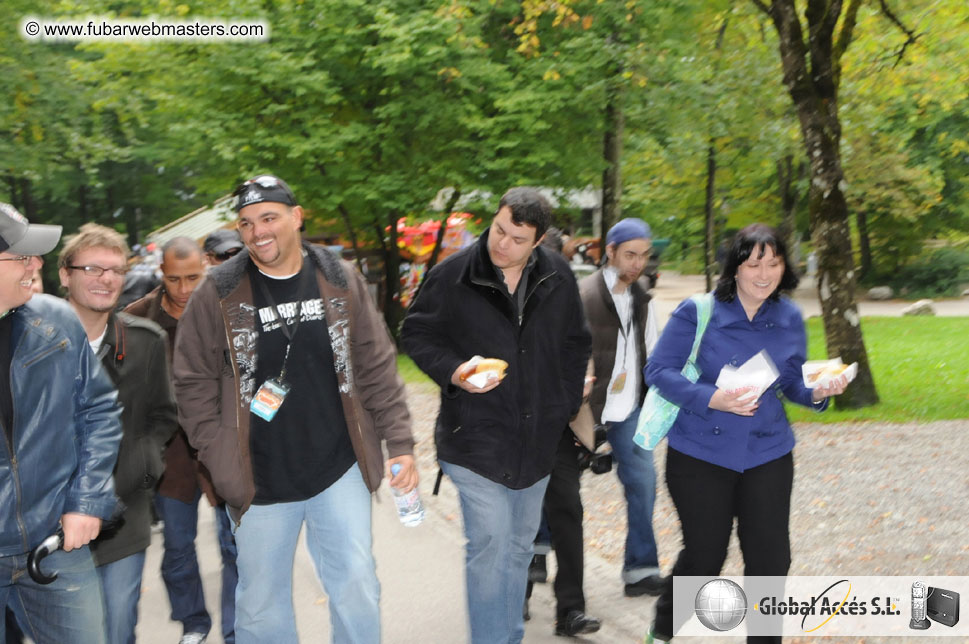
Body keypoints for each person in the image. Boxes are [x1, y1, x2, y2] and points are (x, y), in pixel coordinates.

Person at [173, 174, 417, 644]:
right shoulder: (219, 291)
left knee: (357, 586)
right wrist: (221, 460)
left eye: (269, 217)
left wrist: (399, 441)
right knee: (262, 609)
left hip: (337, 466)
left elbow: (376, 362)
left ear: (296, 217)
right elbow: (191, 383)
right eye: (246, 222)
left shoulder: (338, 277)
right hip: (257, 476)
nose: (258, 231)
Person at [401, 187, 591, 643]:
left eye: (516, 238)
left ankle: (508, 636)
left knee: (519, 548)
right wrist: (454, 371)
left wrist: (561, 405)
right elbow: (416, 334)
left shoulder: (558, 275)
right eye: (499, 229)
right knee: (489, 547)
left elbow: (575, 343)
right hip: (474, 441)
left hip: (538, 441)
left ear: (539, 240)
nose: (501, 243)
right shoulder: (452, 274)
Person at [643, 223, 849, 643]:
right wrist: (710, 398)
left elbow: (793, 382)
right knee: (705, 557)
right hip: (700, 453)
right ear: (734, 267)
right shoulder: (697, 311)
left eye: (773, 263)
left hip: (768, 453)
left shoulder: (789, 316)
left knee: (771, 560)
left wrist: (819, 392)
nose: (763, 273)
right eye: (753, 263)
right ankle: (662, 631)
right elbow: (658, 371)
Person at [0, 203, 122, 643]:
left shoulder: (56, 319)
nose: (36, 265)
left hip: (55, 544)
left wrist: (86, 501)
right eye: (22, 256)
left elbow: (98, 411)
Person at [58, 223, 178, 644]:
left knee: (118, 626)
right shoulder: (31, 340)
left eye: (115, 270)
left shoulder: (146, 342)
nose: (106, 278)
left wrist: (142, 467)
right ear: (64, 274)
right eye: (92, 268)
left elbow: (164, 416)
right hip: (50, 521)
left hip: (123, 515)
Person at [126, 236, 237, 644]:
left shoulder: (228, 311)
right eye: (175, 279)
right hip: (169, 457)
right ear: (162, 275)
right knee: (176, 547)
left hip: (224, 450)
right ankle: (193, 622)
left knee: (235, 546)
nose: (185, 289)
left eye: (194, 277)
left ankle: (235, 629)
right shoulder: (136, 320)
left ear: (206, 269)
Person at [579, 218, 665, 597]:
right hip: (583, 408)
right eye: (629, 254)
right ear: (609, 252)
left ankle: (641, 570)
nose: (637, 263)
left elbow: (653, 352)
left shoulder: (643, 295)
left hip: (629, 408)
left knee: (643, 483)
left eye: (643, 256)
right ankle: (538, 555)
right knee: (559, 486)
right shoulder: (582, 295)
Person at [523, 227, 600, 636]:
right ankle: (514, 596)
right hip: (513, 432)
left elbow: (581, 350)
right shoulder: (505, 298)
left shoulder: (567, 301)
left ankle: (570, 609)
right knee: (517, 517)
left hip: (558, 428)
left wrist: (578, 385)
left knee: (568, 511)